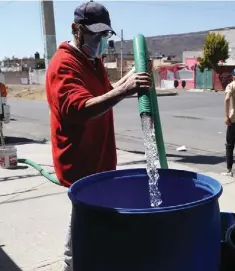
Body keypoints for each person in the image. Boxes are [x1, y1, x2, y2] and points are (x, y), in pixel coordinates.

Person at [44, 2, 152, 270]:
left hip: (99, 161)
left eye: (104, 34)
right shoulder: (64, 65)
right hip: (80, 163)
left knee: (94, 220)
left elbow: (104, 92)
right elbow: (79, 108)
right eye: (94, 34)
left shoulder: (92, 62)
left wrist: (129, 79)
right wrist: (123, 90)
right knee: (82, 223)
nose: (100, 40)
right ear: (76, 29)